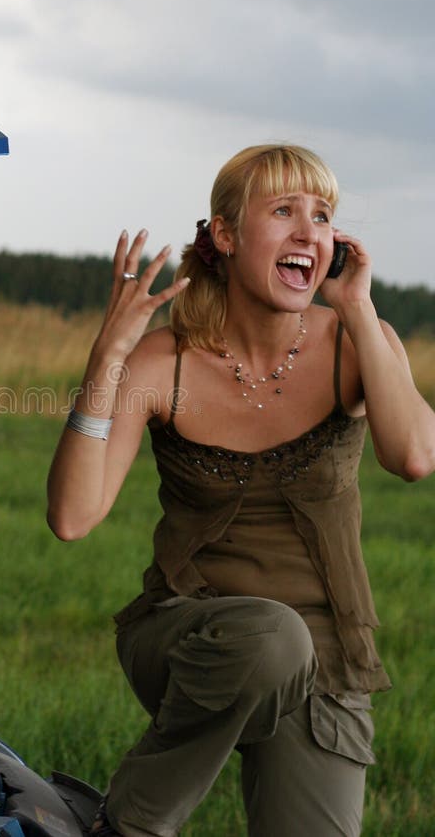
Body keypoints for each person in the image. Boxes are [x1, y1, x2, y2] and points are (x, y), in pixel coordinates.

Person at [46, 144, 435, 837]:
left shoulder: (356, 342)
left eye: (321, 216)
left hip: (326, 660)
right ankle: (128, 827)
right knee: (272, 638)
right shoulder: (164, 361)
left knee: (293, 650)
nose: (308, 232)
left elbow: (412, 456)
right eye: (283, 210)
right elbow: (73, 517)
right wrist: (106, 357)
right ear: (225, 236)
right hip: (190, 633)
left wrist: (358, 310)